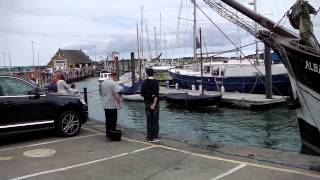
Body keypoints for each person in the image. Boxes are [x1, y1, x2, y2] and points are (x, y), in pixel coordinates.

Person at [141, 68, 160, 142]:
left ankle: (149, 137)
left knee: (149, 120)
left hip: (147, 103)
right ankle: (155, 136)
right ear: (153, 74)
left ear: (147, 74)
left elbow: (142, 94)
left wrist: (149, 96)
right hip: (154, 103)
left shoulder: (144, 82)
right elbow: (156, 94)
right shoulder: (156, 82)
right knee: (155, 120)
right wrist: (154, 103)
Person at [100, 71, 122, 138]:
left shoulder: (103, 82)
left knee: (108, 119)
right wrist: (119, 103)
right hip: (112, 104)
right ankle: (113, 134)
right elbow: (116, 94)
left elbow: (101, 93)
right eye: (116, 77)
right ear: (115, 76)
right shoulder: (113, 83)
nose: (116, 79)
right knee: (113, 120)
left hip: (105, 103)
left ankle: (108, 133)